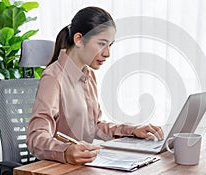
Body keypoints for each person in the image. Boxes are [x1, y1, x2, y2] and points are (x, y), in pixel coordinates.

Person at [26, 6, 164, 165]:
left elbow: (95, 126)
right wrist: (65, 151)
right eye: (101, 44)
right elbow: (35, 138)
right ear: (78, 39)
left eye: (110, 45)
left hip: (84, 165)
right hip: (57, 167)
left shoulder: (89, 74)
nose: (107, 53)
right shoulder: (53, 77)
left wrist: (132, 130)